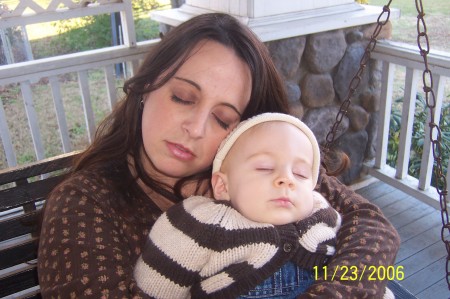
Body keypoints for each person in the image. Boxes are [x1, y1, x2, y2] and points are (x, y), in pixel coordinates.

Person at [37, 12, 400, 298]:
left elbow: (372, 226)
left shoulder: (262, 167)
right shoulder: (85, 204)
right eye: (182, 97)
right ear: (146, 87)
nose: (195, 128)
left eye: (223, 118)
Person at [134, 112, 342, 298]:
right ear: (223, 186)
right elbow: (156, 283)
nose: (287, 180)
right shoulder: (202, 223)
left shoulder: (321, 214)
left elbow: (350, 265)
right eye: (265, 167)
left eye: (300, 174)